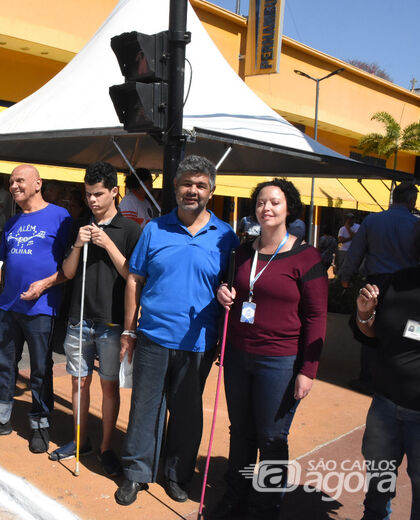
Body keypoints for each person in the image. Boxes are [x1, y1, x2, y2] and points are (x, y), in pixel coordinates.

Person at [115, 155, 238, 506]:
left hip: (199, 341)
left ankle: (176, 474)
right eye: (187, 183)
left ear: (211, 191)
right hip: (153, 335)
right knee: (144, 407)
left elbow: (233, 285)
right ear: (175, 188)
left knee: (186, 413)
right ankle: (136, 473)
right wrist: (129, 330)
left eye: (200, 185)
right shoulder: (154, 229)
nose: (193, 190)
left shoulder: (225, 236)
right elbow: (134, 280)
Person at [211, 179, 328, 520]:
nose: (267, 208)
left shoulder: (307, 257)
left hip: (280, 362)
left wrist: (308, 370)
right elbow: (230, 287)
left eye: (275, 202)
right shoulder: (243, 252)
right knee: (241, 432)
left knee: (272, 438)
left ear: (288, 208)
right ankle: (237, 497)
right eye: (262, 202)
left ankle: (266, 507)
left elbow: (317, 317)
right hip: (238, 355)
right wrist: (223, 293)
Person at [0, 164, 72, 454]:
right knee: (4, 364)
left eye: (20, 181)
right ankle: (0, 419)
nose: (13, 186)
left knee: (40, 368)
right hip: (9, 305)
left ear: (38, 184)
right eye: (11, 182)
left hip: (42, 307)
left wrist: (44, 285)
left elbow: (70, 267)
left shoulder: (59, 217)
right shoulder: (13, 222)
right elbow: (2, 262)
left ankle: (40, 423)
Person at [49, 162, 141, 477]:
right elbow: (69, 272)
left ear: (114, 191)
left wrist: (107, 244)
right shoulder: (80, 225)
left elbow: (133, 275)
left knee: (109, 385)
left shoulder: (130, 230)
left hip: (112, 322)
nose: (93, 200)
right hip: (79, 318)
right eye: (89, 194)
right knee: (78, 381)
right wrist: (78, 243)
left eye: (99, 194)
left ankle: (105, 447)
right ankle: (79, 442)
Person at [351, 222, 420, 520]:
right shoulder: (397, 282)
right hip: (385, 405)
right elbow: (371, 333)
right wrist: (365, 313)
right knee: (379, 485)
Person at [339, 182, 418, 393]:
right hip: (407, 287)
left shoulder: (373, 220)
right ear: (412, 201)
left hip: (375, 284)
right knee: (404, 332)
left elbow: (355, 252)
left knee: (368, 327)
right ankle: (396, 379)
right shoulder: (415, 224)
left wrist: (345, 278)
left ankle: (367, 378)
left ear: (393, 198)